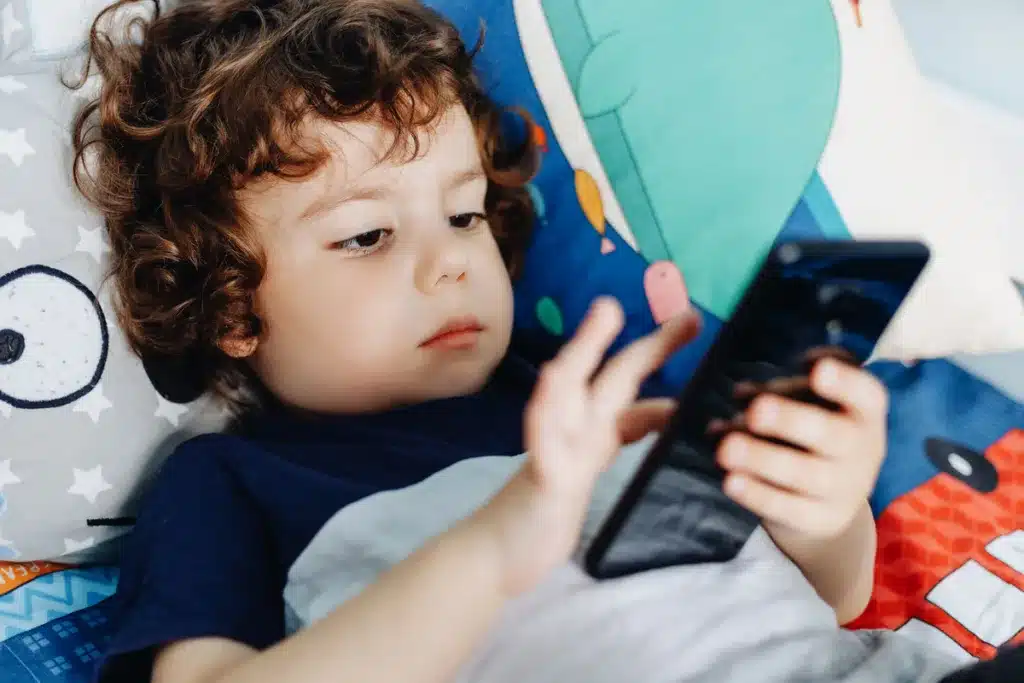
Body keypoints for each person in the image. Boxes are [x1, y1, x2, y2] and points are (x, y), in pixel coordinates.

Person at [72, 1, 965, 682]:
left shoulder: (579, 393)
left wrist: (827, 509)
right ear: (232, 310)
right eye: (367, 236)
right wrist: (495, 546)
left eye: (462, 216)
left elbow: (835, 599)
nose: (451, 265)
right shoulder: (229, 482)